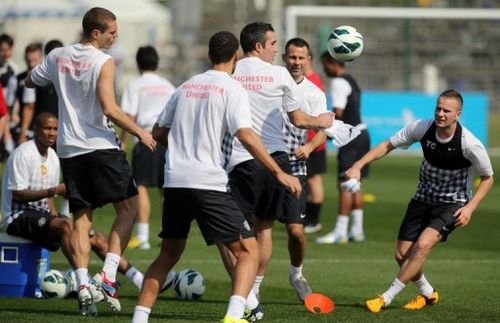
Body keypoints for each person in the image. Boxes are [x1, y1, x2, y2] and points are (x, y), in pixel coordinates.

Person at [131, 31, 301, 323]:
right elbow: (246, 136)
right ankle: (235, 316)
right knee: (248, 249)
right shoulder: (231, 88)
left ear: (209, 55)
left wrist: (184, 148)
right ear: (236, 55)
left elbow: (157, 133)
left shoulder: (185, 86)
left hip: (174, 182)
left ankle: (140, 318)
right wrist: (279, 172)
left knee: (167, 255)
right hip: (208, 181)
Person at [25, 7, 156, 316]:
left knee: (81, 218)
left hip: (69, 151)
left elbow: (32, 80)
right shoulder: (103, 61)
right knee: (128, 209)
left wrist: (50, 82)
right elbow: (109, 108)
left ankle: (83, 284)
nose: (115, 37)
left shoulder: (57, 56)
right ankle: (108, 277)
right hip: (99, 146)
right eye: (111, 32)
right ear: (95, 33)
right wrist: (140, 132)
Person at [342, 90, 494, 313]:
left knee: (422, 245)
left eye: (446, 111)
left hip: (453, 203)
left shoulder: (470, 144)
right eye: (438, 108)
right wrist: (358, 165)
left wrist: (470, 208)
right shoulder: (422, 127)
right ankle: (427, 292)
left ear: (458, 114)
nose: (440, 114)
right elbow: (387, 145)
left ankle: (386, 297)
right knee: (402, 255)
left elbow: (488, 178)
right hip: (423, 198)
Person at [221, 22, 334, 321]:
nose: (276, 50)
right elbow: (299, 120)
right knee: (263, 229)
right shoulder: (278, 74)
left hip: (238, 160)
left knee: (232, 232)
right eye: (273, 44)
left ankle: (250, 294)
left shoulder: (230, 70)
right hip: (276, 162)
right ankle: (251, 294)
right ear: (258, 46)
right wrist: (322, 120)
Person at [1, 112, 152, 294]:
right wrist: (56, 191)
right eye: (47, 128)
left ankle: (139, 279)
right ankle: (85, 284)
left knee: (96, 238)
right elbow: (18, 194)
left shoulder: (54, 157)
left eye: (55, 129)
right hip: (17, 217)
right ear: (36, 130)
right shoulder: (23, 153)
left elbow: (49, 198)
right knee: (66, 225)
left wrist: (54, 213)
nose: (52, 133)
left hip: (42, 217)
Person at [279, 37, 329, 302]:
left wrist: (309, 149)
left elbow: (323, 131)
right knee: (260, 228)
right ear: (284, 58)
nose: (296, 62)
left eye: (301, 58)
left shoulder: (314, 93)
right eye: (292, 57)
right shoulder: (273, 83)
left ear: (308, 60)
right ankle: (253, 286)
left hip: (296, 165)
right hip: (268, 164)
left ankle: (296, 273)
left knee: (296, 231)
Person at [121, 46, 175, 250]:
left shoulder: (134, 85)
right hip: (165, 138)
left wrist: (123, 139)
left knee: (141, 186)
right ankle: (167, 233)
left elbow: (130, 117)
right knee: (165, 188)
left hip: (144, 137)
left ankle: (143, 236)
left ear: (138, 63)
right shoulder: (167, 85)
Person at [317, 51, 371, 244]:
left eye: (325, 65)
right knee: (355, 182)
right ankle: (357, 231)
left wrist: (325, 128)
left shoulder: (339, 82)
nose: (324, 69)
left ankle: (340, 231)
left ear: (333, 62)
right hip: (362, 133)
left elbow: (338, 113)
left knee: (345, 181)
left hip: (351, 137)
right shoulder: (351, 79)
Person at [303, 54, 327, 234]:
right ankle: (308, 218)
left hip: (314, 139)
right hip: (311, 138)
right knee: (310, 180)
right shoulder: (309, 79)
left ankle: (313, 220)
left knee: (313, 179)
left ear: (309, 60)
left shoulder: (313, 81)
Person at [16, 42, 43, 145]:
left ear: (40, 58)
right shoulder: (18, 79)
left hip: (42, 128)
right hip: (22, 129)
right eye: (28, 61)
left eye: (34, 60)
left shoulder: (49, 80)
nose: (31, 64)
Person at [0, 33, 18, 160]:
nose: (6, 53)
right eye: (2, 50)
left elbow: (12, 96)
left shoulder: (12, 68)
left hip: (5, 107)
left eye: (8, 50)